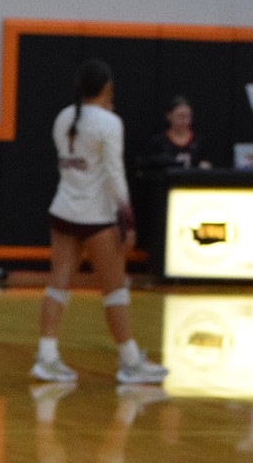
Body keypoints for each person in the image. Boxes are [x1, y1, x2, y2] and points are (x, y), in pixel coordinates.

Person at [31, 58, 167, 386]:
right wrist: (129, 222)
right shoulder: (109, 123)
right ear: (106, 88)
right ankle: (130, 363)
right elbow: (116, 176)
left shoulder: (64, 117)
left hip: (63, 211)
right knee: (114, 291)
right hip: (96, 219)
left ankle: (47, 358)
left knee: (58, 285)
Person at [143, 95, 211, 172]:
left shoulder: (199, 141)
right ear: (169, 116)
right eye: (180, 116)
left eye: (187, 116)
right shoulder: (158, 141)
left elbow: (207, 163)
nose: (184, 120)